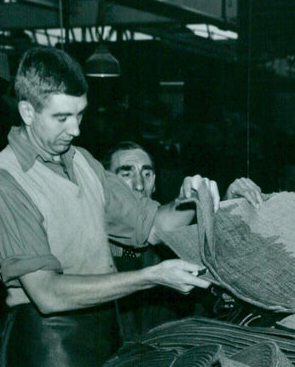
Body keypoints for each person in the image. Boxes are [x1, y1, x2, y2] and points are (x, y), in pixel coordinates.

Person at [0, 47, 217, 367]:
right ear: (28, 113)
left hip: (104, 336)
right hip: (47, 355)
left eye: (80, 115)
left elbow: (152, 223)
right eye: (62, 118)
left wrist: (193, 201)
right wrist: (150, 277)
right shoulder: (3, 183)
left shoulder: (81, 162)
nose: (76, 130)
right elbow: (47, 293)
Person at [103, 141, 263, 339]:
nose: (139, 185)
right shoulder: (93, 248)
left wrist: (230, 209)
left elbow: (216, 302)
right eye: (126, 174)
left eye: (147, 174)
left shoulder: (173, 245)